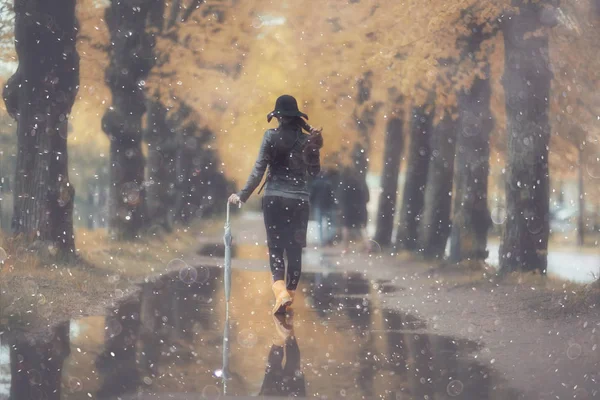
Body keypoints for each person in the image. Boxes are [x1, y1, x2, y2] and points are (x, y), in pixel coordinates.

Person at [228, 95, 323, 314]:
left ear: (278, 117)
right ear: (297, 117)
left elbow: (258, 170)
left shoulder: (270, 137)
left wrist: (242, 195)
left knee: (276, 248)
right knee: (295, 250)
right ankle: (289, 295)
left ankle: (281, 294)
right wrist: (315, 147)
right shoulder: (308, 141)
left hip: (273, 200)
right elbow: (315, 173)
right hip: (299, 201)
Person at [339, 167, 371, 253]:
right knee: (363, 228)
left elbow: (342, 197)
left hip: (348, 209)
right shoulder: (362, 183)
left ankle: (345, 248)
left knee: (346, 228)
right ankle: (368, 246)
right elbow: (367, 198)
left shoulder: (346, 184)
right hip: (361, 208)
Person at [309, 169, 335, 247]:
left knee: (319, 224)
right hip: (327, 206)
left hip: (318, 206)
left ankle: (322, 241)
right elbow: (331, 196)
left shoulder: (315, 183)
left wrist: (312, 203)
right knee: (331, 224)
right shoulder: (328, 183)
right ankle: (327, 238)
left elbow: (312, 195)